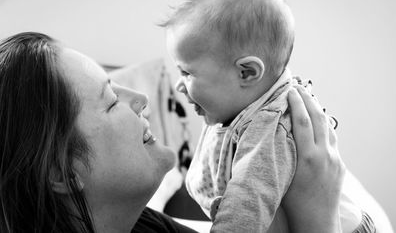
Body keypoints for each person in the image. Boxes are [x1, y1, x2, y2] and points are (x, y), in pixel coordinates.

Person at [0, 32, 346, 233]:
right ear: (63, 171)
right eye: (110, 100)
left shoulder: (144, 227)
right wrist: (317, 217)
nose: (141, 100)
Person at [163, 0, 376, 233]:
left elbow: (248, 200)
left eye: (187, 73)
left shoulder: (271, 124)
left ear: (247, 73)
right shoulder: (243, 109)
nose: (178, 85)